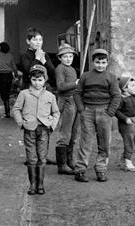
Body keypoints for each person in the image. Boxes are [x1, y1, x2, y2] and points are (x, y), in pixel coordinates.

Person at [74, 48, 121, 183]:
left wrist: (110, 112)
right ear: (93, 62)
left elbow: (116, 96)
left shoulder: (111, 77)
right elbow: (77, 93)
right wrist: (82, 109)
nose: (100, 65)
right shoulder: (85, 76)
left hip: (104, 112)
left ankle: (101, 169)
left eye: (103, 62)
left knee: (104, 143)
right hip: (88, 112)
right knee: (85, 142)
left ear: (107, 63)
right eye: (97, 62)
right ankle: (80, 170)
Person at [12, 65, 60, 195]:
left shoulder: (50, 96)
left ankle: (40, 184)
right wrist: (21, 123)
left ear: (45, 80)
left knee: (42, 158)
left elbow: (56, 112)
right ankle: (32, 185)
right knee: (31, 158)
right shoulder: (24, 94)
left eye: (40, 80)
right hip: (29, 129)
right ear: (30, 80)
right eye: (34, 80)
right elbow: (16, 109)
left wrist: (52, 125)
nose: (37, 83)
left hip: (44, 129)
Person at [54, 43, 80, 175]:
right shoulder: (60, 69)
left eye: (70, 56)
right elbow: (60, 86)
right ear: (60, 58)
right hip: (66, 101)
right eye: (65, 56)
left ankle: (70, 160)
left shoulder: (73, 70)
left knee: (74, 133)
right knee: (65, 133)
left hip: (75, 100)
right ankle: (62, 165)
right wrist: (75, 83)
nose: (69, 59)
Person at [0, 42, 18, 118]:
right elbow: (14, 67)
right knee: (7, 92)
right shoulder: (10, 55)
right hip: (9, 75)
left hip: (1, 75)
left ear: (1, 48)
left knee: (3, 93)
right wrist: (16, 76)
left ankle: (7, 111)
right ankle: (7, 110)